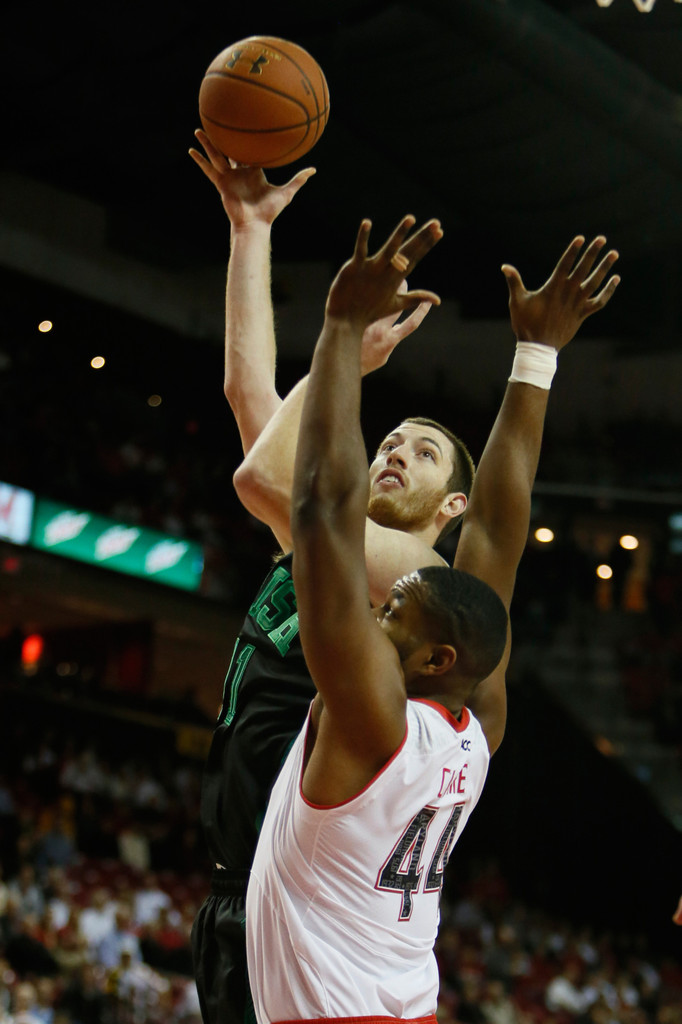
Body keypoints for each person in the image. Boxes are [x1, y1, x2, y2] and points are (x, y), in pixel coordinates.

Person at [188, 132, 619, 1024]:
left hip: (292, 925)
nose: (394, 448)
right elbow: (252, 408)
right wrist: (250, 231)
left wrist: (342, 347)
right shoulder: (432, 650)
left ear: (448, 509)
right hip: (295, 919)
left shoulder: (406, 582)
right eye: (390, 438)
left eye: (423, 452)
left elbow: (280, 484)